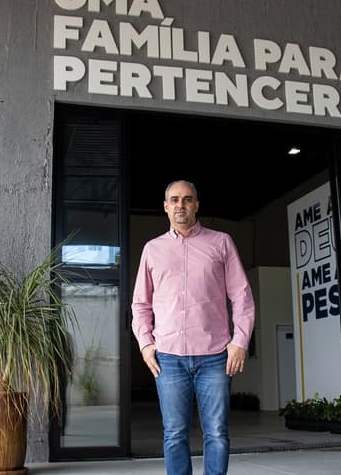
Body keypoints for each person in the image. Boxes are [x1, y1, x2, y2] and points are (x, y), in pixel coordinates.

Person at [131, 180, 256, 475]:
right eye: (174, 200)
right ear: (165, 207)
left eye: (187, 199)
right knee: (174, 435)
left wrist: (240, 341)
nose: (180, 205)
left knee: (217, 433)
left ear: (197, 205)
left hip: (215, 357)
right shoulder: (152, 250)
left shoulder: (221, 242)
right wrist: (146, 344)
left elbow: (242, 296)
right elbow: (140, 304)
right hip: (169, 359)